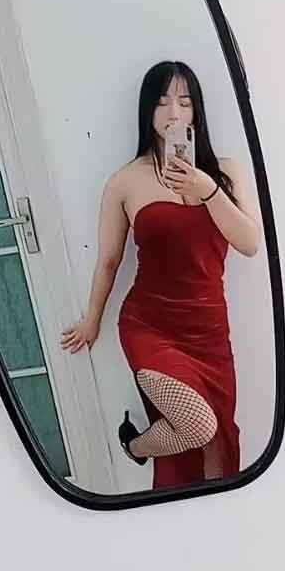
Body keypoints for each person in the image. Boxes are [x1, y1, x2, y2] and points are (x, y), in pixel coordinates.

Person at [60, 61, 262, 489]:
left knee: (219, 453)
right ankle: (135, 446)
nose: (174, 113)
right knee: (196, 424)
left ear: (197, 111)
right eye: (163, 102)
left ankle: (183, 500)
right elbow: (109, 260)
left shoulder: (226, 172)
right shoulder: (124, 182)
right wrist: (92, 319)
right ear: (147, 110)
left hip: (209, 332)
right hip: (150, 326)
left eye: (185, 102)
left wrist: (206, 190)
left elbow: (250, 243)